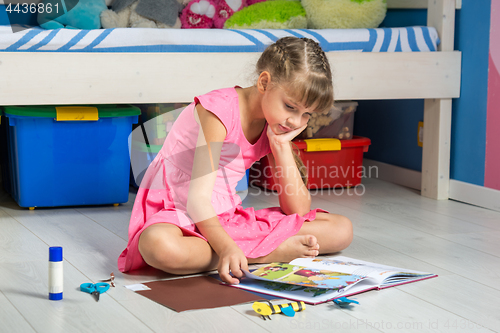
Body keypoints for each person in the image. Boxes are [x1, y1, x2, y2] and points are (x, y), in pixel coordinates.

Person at [118, 36, 353, 284]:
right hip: (179, 209)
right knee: (158, 246)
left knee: (340, 229)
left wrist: (281, 145)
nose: (296, 121)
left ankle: (236, 250)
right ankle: (265, 253)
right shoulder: (219, 111)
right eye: (290, 106)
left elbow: (297, 210)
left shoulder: (274, 123)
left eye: (306, 114)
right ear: (264, 83)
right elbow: (197, 201)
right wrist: (228, 247)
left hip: (223, 215)